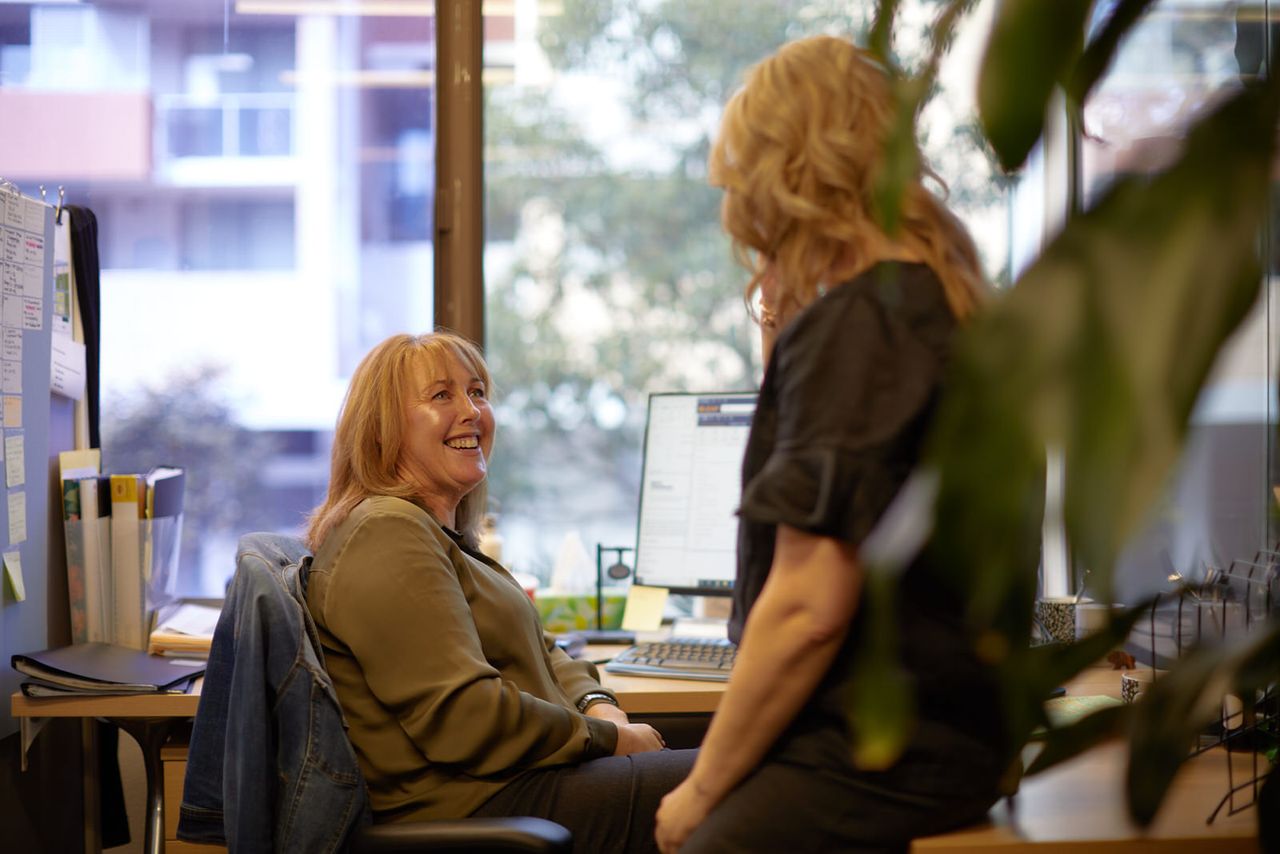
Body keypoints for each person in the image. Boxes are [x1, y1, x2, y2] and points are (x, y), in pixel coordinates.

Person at [655, 35, 1006, 853]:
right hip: (947, 745)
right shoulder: (934, 303)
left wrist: (703, 787)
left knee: (680, 832)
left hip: (871, 757)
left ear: (788, 177)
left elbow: (811, 605)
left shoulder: (866, 323)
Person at [304, 331, 696, 853]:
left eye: (478, 392)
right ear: (384, 428)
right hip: (484, 802)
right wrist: (612, 739)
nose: (471, 411)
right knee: (757, 784)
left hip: (520, 779)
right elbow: (467, 718)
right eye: (442, 395)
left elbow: (544, 646)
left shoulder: (435, 533)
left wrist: (600, 705)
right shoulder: (386, 534)